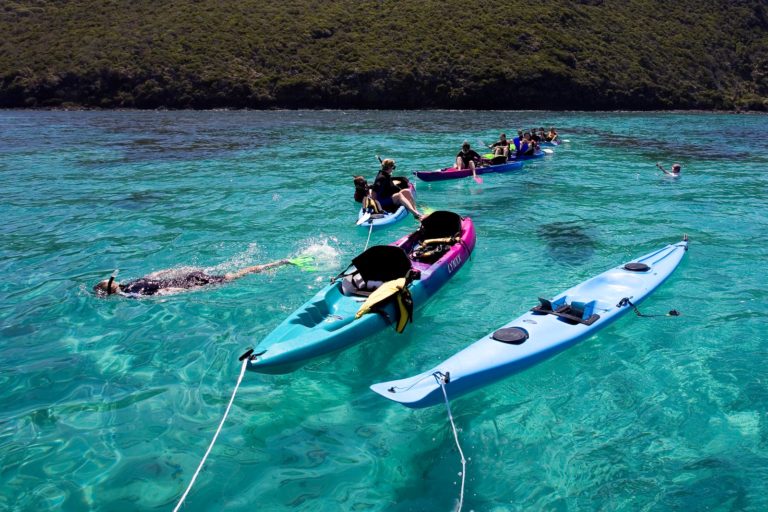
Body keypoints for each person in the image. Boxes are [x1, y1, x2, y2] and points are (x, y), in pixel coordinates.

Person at [93, 259, 297, 297]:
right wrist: (185, 270)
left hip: (187, 283)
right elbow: (157, 275)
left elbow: (165, 292)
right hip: (186, 276)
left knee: (233, 277)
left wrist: (187, 290)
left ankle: (276, 263)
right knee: (230, 274)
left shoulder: (132, 294)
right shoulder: (133, 281)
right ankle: (275, 263)